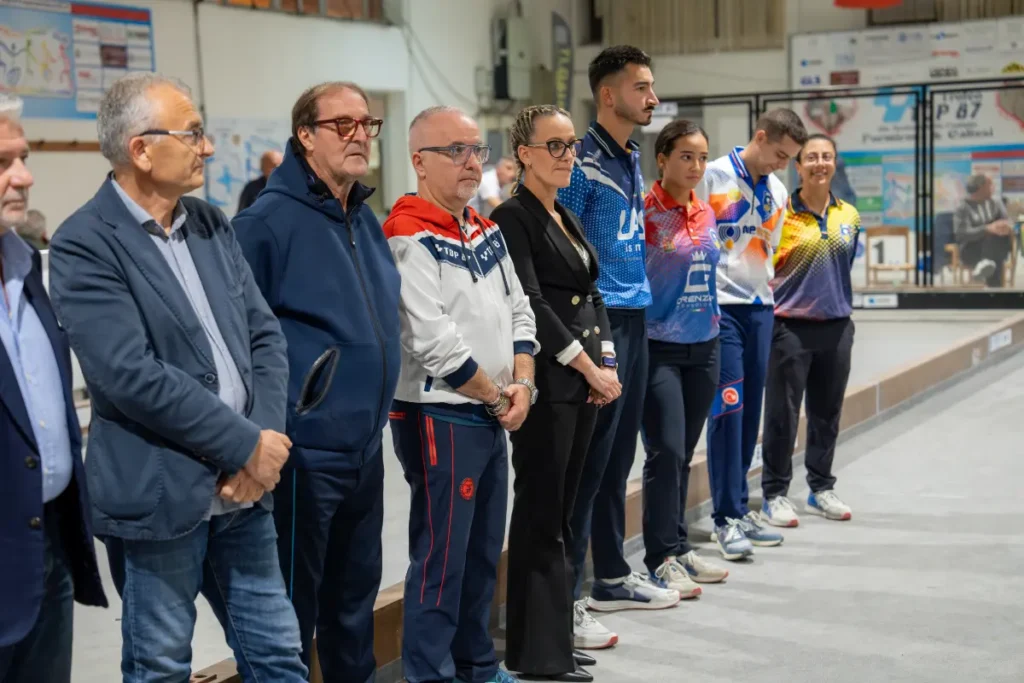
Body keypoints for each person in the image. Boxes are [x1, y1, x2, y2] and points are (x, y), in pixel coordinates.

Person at [47, 73, 307, 682]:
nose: (206, 147)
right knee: (161, 665)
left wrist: (262, 443)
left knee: (277, 656)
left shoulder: (210, 223)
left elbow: (264, 337)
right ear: (141, 149)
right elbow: (130, 375)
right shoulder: (85, 243)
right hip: (160, 491)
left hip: (243, 491)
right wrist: (244, 444)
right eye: (192, 134)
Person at [233, 81, 398, 683]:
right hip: (304, 454)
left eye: (367, 124)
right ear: (305, 134)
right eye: (342, 125)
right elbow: (239, 342)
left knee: (355, 603)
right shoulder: (264, 223)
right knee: (292, 611)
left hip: (365, 449)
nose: (360, 136)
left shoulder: (364, 216)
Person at [383, 105, 538, 683]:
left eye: (477, 149)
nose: (472, 162)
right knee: (442, 558)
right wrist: (497, 397)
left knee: (482, 553)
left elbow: (520, 310)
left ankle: (476, 666)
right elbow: (432, 341)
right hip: (441, 415)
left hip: (492, 410)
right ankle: (430, 674)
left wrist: (522, 382)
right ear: (420, 162)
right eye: (456, 151)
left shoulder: (485, 228)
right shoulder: (406, 234)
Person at [493, 105, 622, 682]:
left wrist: (607, 361)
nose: (568, 155)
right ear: (524, 153)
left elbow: (593, 293)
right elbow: (532, 303)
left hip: (583, 382)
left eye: (571, 145)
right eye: (556, 145)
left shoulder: (563, 213)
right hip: (548, 384)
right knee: (541, 514)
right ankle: (536, 654)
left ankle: (554, 640)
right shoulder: (512, 216)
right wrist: (587, 367)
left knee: (564, 514)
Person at [559, 45, 680, 642]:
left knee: (617, 461)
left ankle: (610, 576)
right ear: (608, 95)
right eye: (642, 88)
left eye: (652, 87)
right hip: (597, 321)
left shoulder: (630, 155)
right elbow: (559, 249)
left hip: (636, 318)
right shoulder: (579, 163)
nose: (653, 98)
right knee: (587, 466)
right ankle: (566, 599)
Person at [0, 93, 107, 683]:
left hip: (48, 548)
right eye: (3, 163)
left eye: (23, 158)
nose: (25, 177)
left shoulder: (27, 270)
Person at [699, 108, 807, 561]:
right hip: (721, 309)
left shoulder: (778, 190)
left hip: (761, 309)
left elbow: (769, 251)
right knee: (728, 409)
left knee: (749, 416)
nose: (784, 164)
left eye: (789, 158)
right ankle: (723, 519)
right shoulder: (712, 176)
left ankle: (740, 510)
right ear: (760, 137)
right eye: (780, 154)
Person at [639, 119, 729, 595]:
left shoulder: (706, 211)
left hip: (705, 345)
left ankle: (678, 545)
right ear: (663, 159)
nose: (696, 166)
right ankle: (660, 556)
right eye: (686, 156)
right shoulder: (644, 213)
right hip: (659, 348)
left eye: (702, 157)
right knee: (666, 451)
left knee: (685, 453)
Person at [760, 134, 860, 527]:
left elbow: (844, 268)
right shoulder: (781, 214)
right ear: (798, 166)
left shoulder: (849, 215)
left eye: (827, 156)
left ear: (835, 163)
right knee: (782, 415)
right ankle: (774, 494)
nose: (820, 163)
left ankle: (821, 488)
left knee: (826, 413)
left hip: (837, 328)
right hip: (789, 328)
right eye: (812, 157)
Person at [953, 174, 1013, 287]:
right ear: (980, 188)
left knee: (996, 242)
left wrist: (1005, 227)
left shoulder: (996, 203)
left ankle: (986, 273)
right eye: (990, 185)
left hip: (996, 248)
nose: (993, 188)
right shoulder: (963, 207)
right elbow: (961, 234)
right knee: (991, 244)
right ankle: (994, 288)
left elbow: (1006, 221)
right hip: (972, 250)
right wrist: (986, 229)